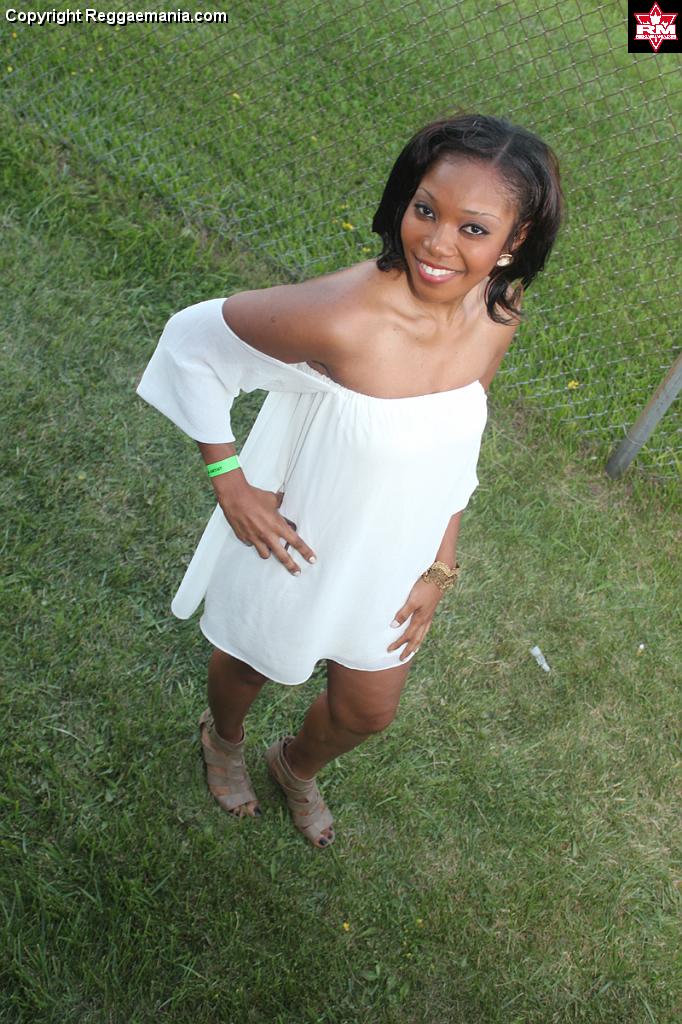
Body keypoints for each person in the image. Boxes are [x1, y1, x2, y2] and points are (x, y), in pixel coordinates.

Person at [135, 112, 564, 851]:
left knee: (368, 710)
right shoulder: (344, 314)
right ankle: (224, 739)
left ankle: (294, 765)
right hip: (303, 531)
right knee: (251, 663)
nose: (436, 243)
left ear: (515, 239)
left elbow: (458, 441)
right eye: (425, 210)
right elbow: (190, 344)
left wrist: (440, 563)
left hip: (397, 552)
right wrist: (231, 482)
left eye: (473, 228)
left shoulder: (499, 313)